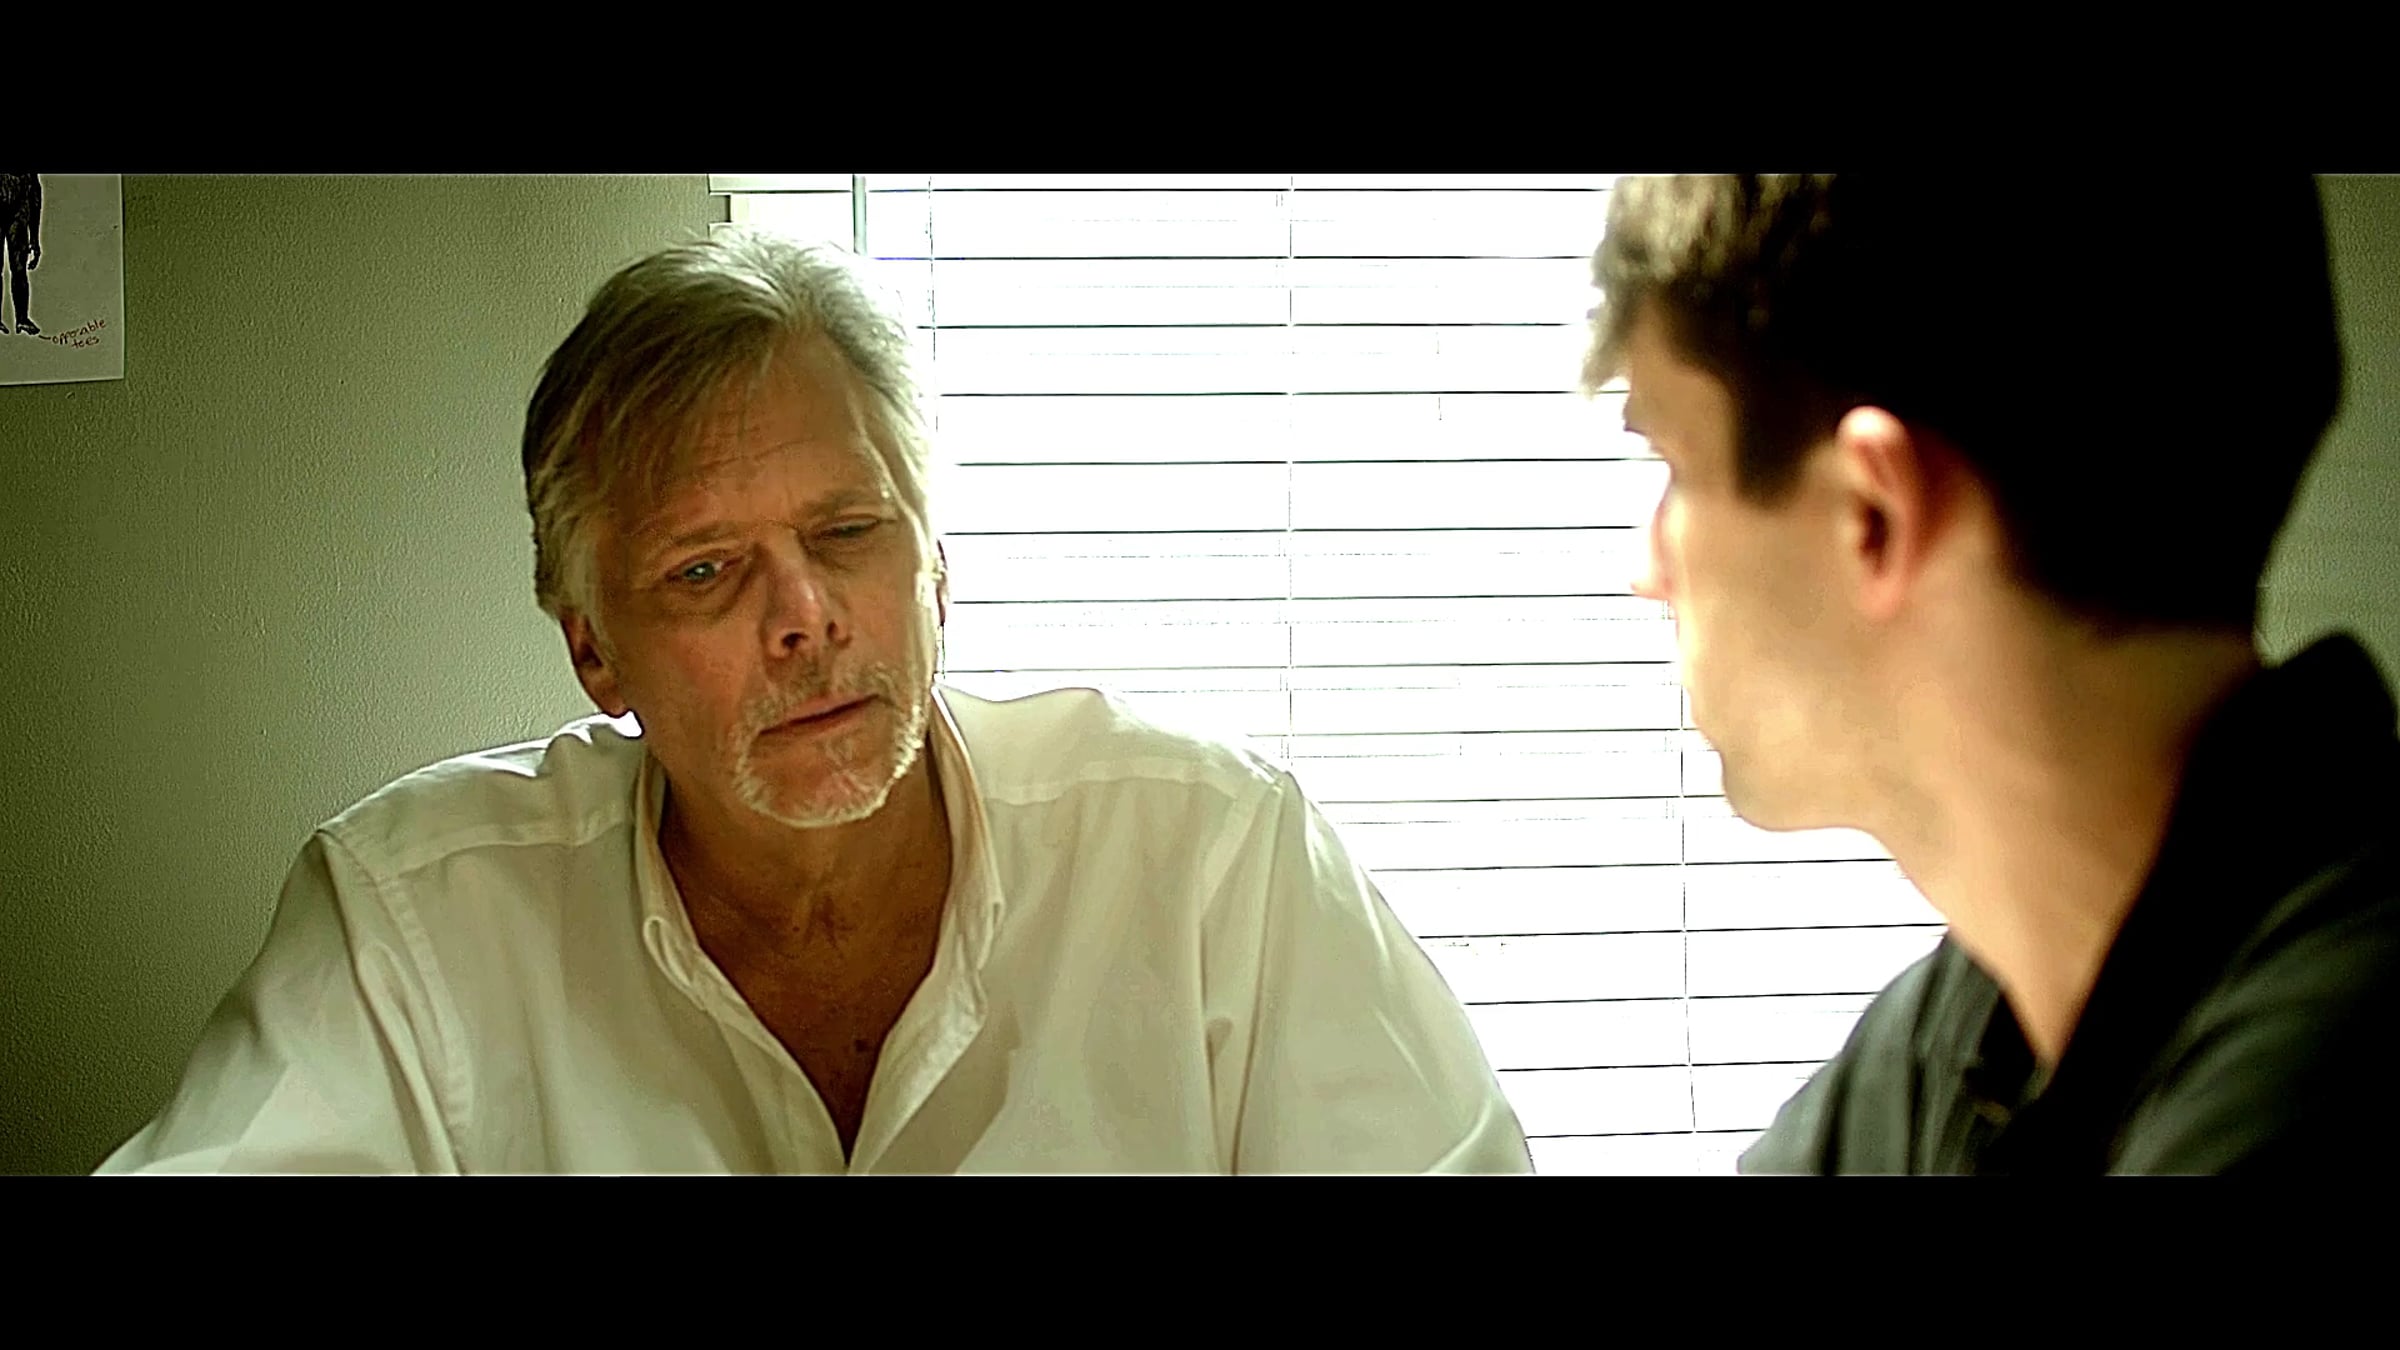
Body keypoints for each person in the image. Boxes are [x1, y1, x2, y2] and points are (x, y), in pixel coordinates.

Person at [98, 229, 1530, 1174]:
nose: (805, 616)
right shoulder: (415, 921)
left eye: (849, 531)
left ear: (937, 566)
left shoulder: (1218, 860)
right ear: (594, 651)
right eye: (705, 571)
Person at [1582, 174, 2395, 1173]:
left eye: (1676, 467)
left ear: (1871, 517)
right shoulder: (1976, 1027)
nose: (1647, 571)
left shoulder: (2329, 1088)